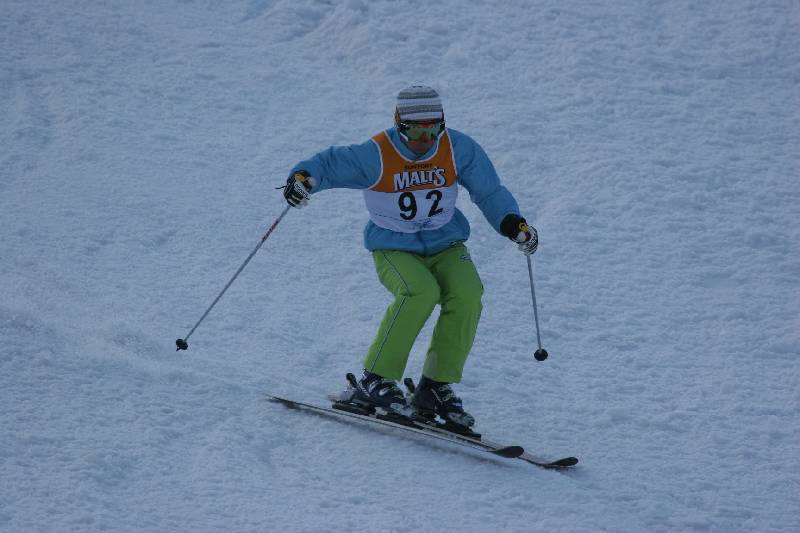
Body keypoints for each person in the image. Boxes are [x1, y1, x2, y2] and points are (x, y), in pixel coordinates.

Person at [283, 85, 537, 428]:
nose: (425, 138)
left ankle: (434, 386)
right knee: (420, 291)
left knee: (468, 293)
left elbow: (489, 190)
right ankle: (375, 378)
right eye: (416, 130)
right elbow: (329, 164)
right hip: (394, 247)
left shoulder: (457, 148)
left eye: (434, 128)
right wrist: (302, 179)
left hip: (445, 243)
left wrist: (512, 223)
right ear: (399, 123)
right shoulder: (377, 153)